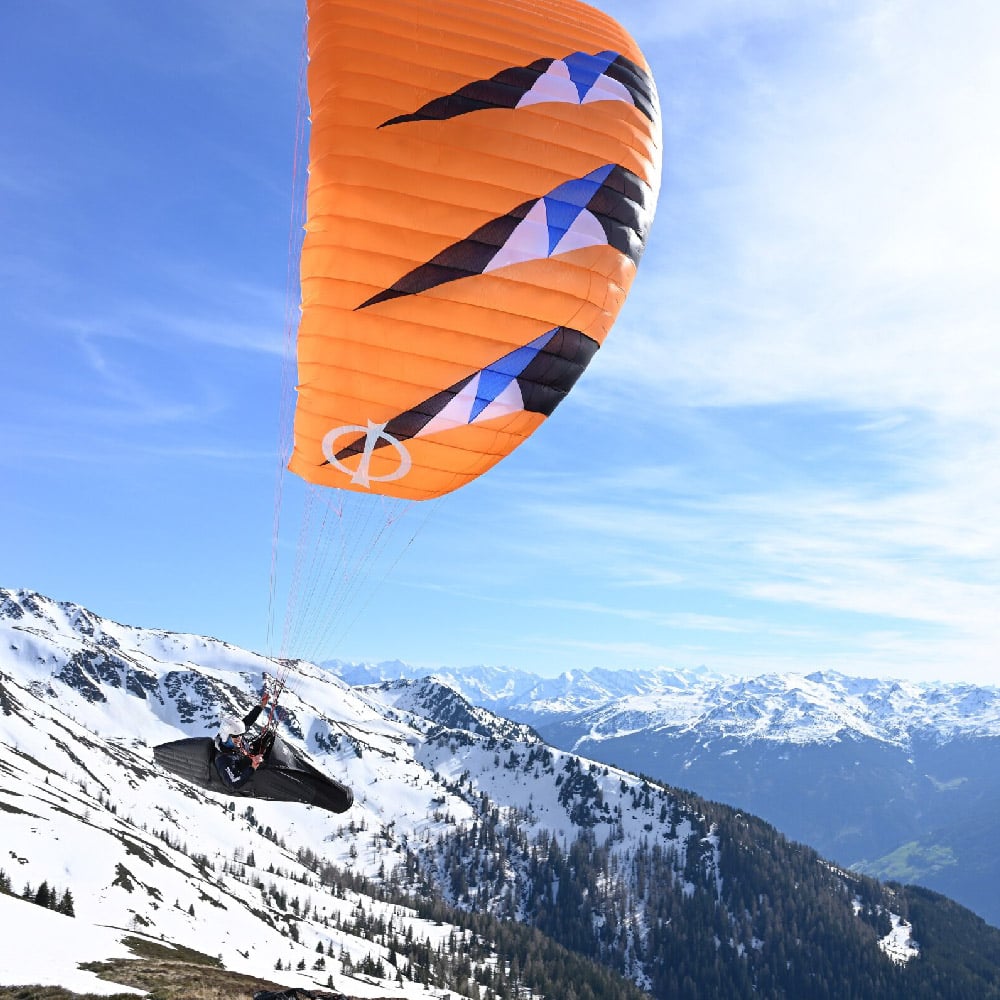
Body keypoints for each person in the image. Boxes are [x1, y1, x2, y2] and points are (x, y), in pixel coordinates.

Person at [214, 691, 272, 791]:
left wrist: (261, 706)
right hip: (248, 773)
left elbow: (249, 720)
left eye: (241, 735)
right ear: (226, 735)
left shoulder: (236, 736)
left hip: (249, 756)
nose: (239, 738)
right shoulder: (223, 759)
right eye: (236, 736)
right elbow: (233, 783)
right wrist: (252, 767)